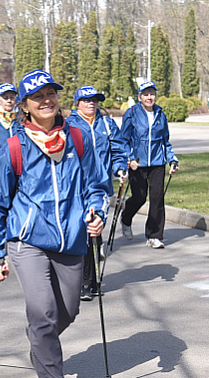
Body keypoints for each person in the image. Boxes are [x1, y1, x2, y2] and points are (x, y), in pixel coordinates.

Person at [0, 70, 111, 378]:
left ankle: (40, 341)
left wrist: (96, 212)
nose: (46, 100)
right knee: (43, 312)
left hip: (71, 239)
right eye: (37, 97)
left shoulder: (78, 138)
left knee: (67, 311)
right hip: (27, 242)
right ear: (25, 106)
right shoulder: (13, 147)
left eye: (51, 94)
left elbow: (97, 186)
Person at [66, 85, 129, 300]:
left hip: (100, 187)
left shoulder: (107, 123)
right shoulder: (69, 125)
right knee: (81, 235)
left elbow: (118, 149)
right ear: (77, 104)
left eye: (94, 100)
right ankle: (82, 282)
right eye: (86, 100)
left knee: (94, 232)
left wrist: (120, 168)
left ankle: (93, 282)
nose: (91, 103)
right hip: (76, 188)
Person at [119, 81, 179, 249]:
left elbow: (165, 142)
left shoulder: (161, 114)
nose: (149, 97)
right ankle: (126, 217)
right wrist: (129, 158)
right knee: (139, 196)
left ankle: (154, 235)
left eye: (152, 94)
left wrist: (172, 160)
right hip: (137, 163)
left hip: (157, 163)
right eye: (145, 94)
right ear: (140, 97)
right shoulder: (131, 114)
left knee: (157, 198)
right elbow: (123, 141)